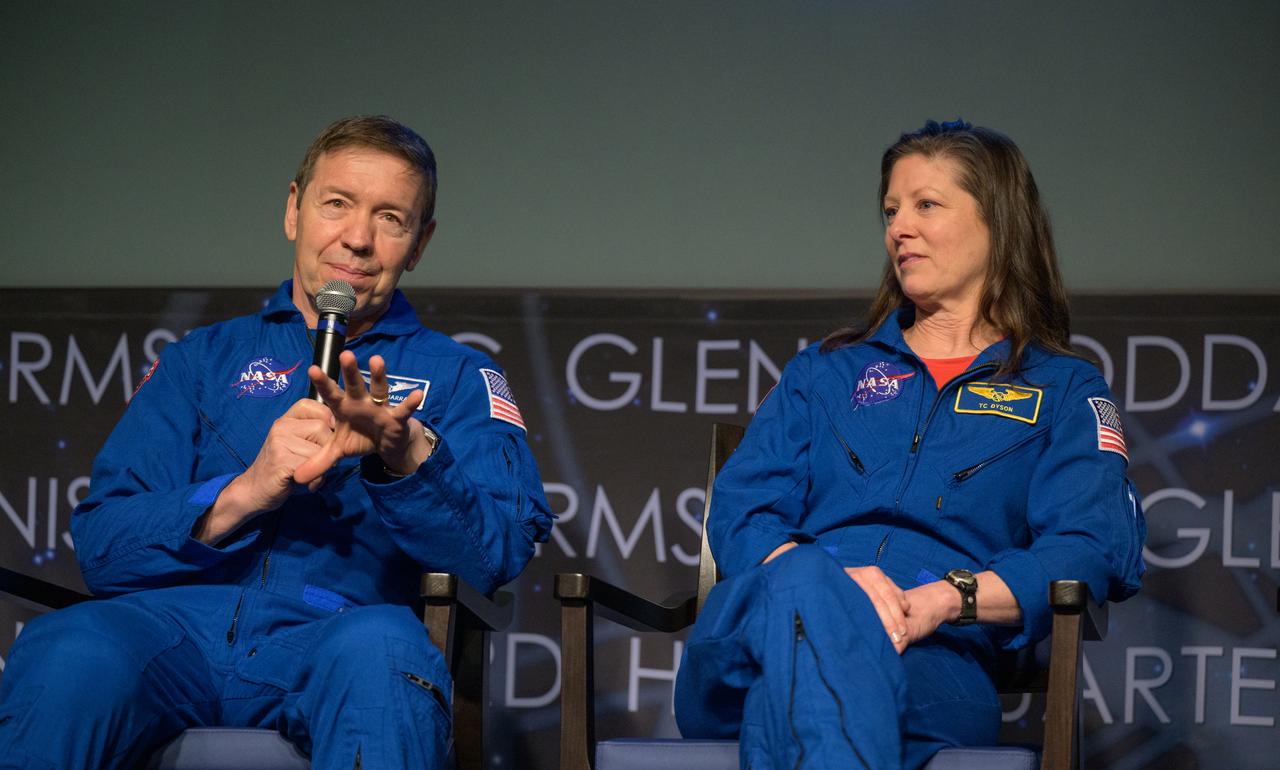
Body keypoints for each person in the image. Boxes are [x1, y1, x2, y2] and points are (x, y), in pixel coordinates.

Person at [0, 115, 553, 770]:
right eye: (337, 204)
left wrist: (405, 459)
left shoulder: (459, 376)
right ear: (294, 209)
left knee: (383, 651)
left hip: (336, 633)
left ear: (420, 243)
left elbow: (500, 550)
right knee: (70, 648)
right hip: (173, 632)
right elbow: (103, 547)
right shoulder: (201, 361)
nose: (357, 239)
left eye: (391, 219)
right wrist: (248, 489)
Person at [673, 120, 1146, 769]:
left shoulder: (1064, 391)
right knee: (808, 584)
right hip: (756, 639)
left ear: (998, 223)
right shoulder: (826, 373)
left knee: (807, 705)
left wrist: (945, 599)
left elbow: (1090, 549)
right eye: (891, 210)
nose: (899, 227)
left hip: (932, 662)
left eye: (926, 204)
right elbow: (741, 510)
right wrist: (828, 589)